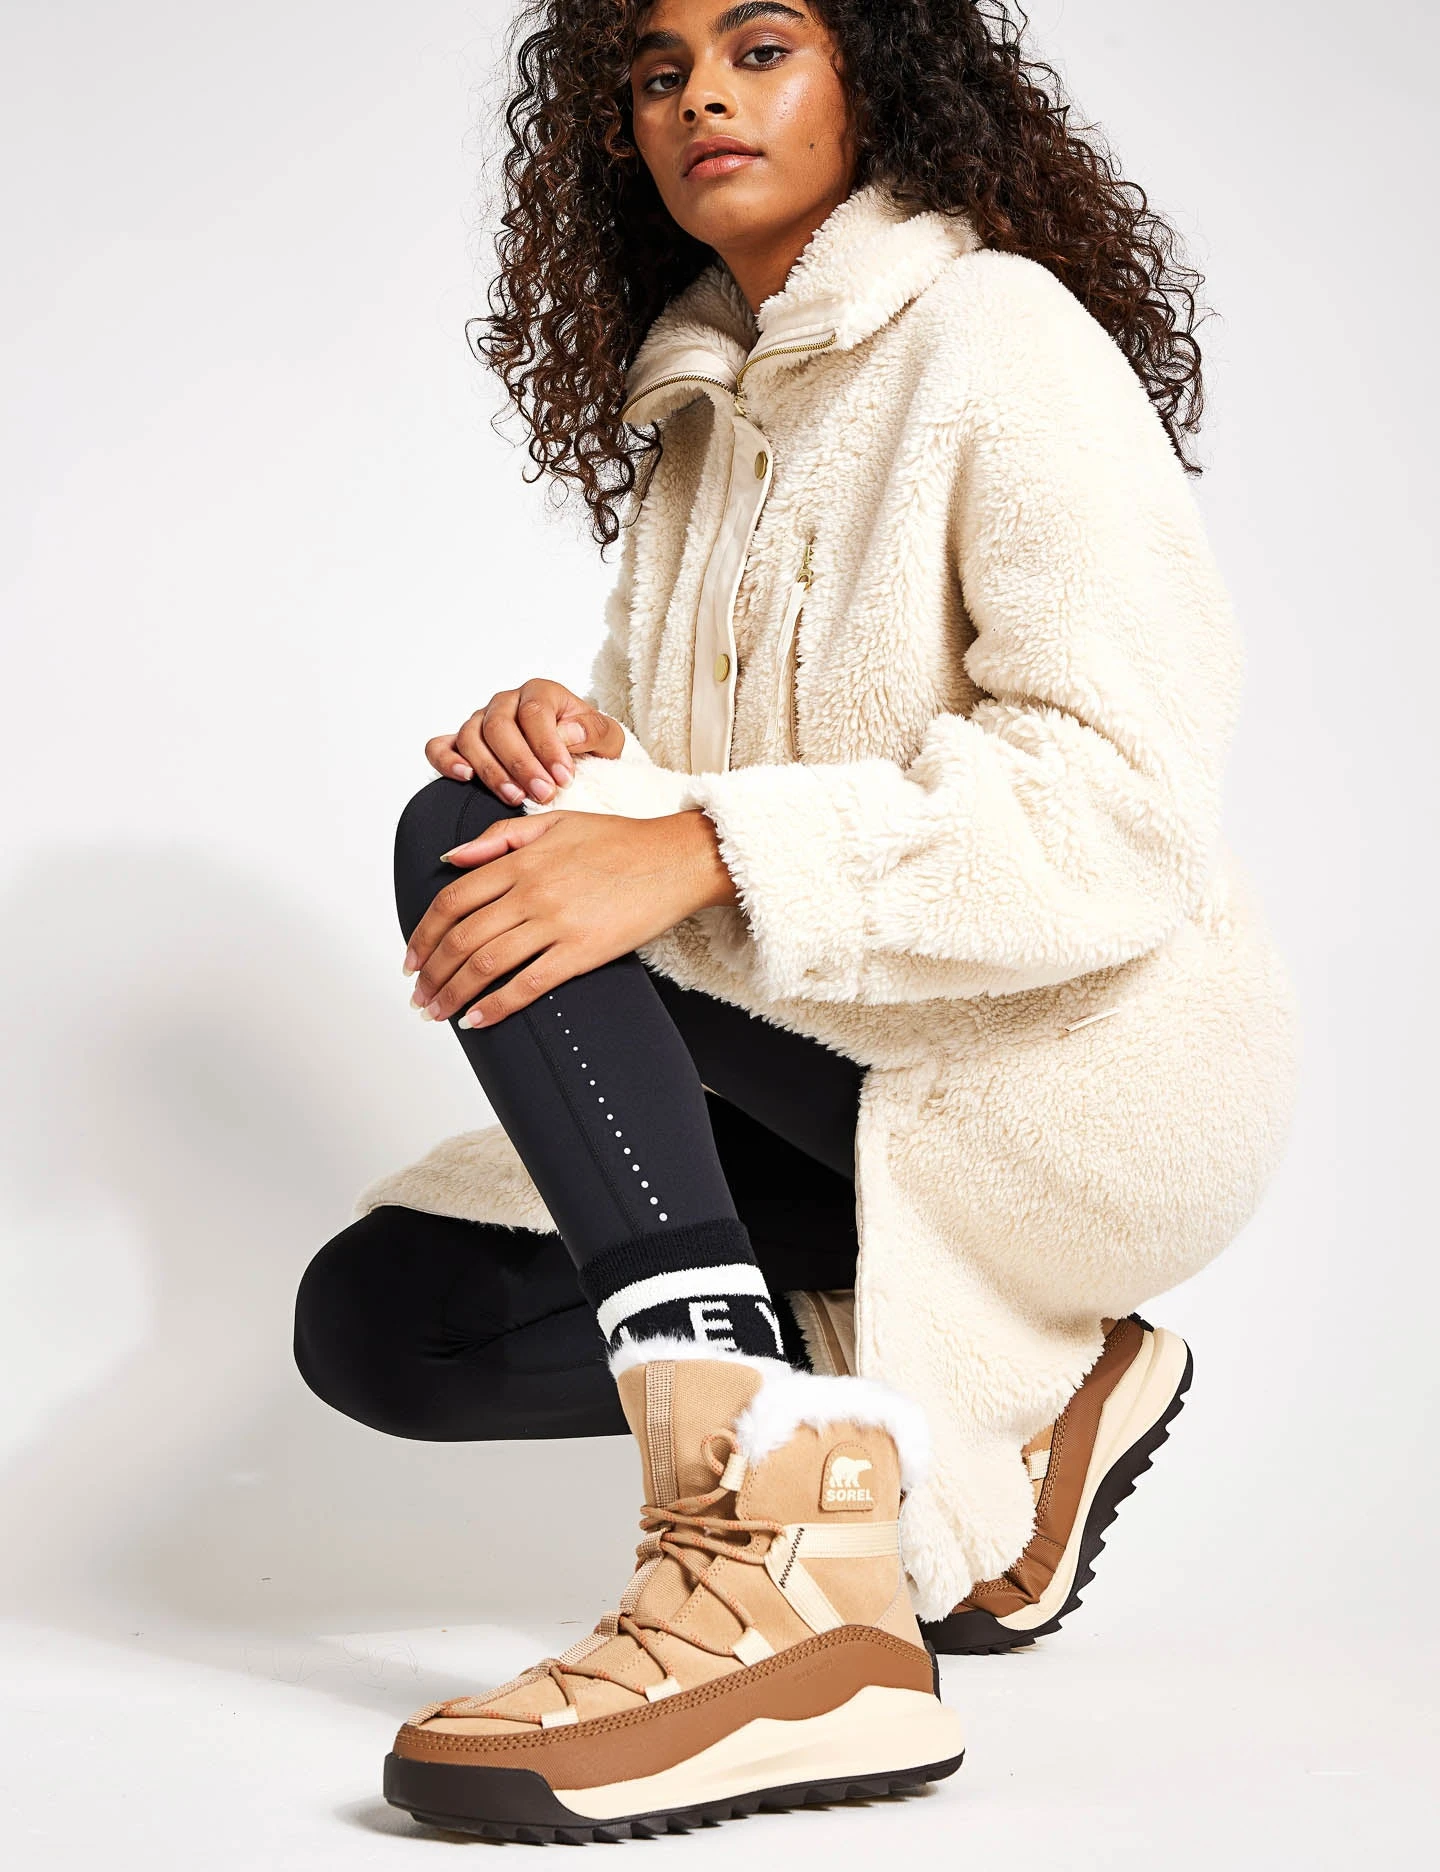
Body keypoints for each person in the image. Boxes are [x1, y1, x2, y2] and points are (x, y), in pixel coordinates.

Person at [293, 0, 1299, 1839]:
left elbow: (1124, 802)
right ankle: (1033, 1395)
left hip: (1078, 1073)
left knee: (466, 849)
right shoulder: (706, 409)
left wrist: (692, 842)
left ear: (877, 76)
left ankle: (780, 1583)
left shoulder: (1000, 338)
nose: (702, 97)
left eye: (760, 47)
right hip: (849, 1056)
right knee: (394, 1322)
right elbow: (703, 819)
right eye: (657, 70)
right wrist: (588, 761)